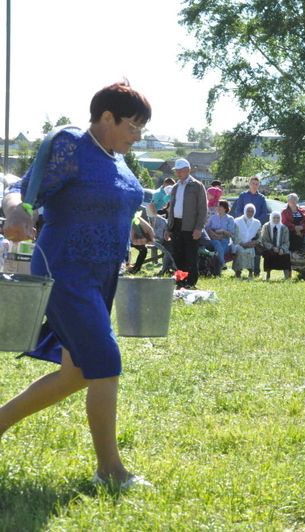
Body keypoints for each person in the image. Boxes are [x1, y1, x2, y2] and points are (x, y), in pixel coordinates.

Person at [0, 81, 152, 488]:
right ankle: (110, 471)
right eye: (132, 127)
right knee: (105, 362)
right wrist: (17, 213)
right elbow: (20, 188)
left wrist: (136, 225)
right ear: (107, 117)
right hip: (66, 270)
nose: (136, 137)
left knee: (75, 374)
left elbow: (108, 199)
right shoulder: (72, 145)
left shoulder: (117, 160)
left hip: (103, 275)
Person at [166, 158, 207, 288]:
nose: (178, 173)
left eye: (181, 170)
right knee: (177, 255)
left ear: (188, 170)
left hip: (191, 226)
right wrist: (169, 227)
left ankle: (191, 282)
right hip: (176, 225)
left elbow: (203, 209)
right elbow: (171, 208)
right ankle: (180, 281)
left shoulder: (197, 186)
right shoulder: (175, 187)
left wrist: (199, 228)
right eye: (177, 171)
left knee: (190, 255)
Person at [205, 199, 235, 276]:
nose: (217, 208)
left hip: (225, 241)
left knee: (218, 250)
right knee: (216, 243)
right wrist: (213, 234)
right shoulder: (212, 217)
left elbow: (231, 234)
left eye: (220, 206)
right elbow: (207, 228)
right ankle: (222, 263)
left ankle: (216, 272)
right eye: (217, 206)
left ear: (225, 208)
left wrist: (222, 231)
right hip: (213, 240)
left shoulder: (230, 219)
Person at [231, 203, 262, 278]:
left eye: (252, 211)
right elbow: (234, 235)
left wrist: (254, 243)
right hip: (238, 243)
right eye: (248, 211)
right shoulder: (237, 221)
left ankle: (251, 271)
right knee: (240, 250)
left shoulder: (257, 222)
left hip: (251, 244)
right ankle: (238, 272)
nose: (250, 213)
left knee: (251, 251)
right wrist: (242, 244)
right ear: (245, 211)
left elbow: (259, 236)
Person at [260, 211, 292, 280]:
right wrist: (272, 247)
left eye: (278, 218)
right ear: (271, 218)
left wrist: (282, 249)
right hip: (270, 249)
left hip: (281, 249)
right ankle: (267, 276)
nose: (276, 219)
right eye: (274, 218)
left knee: (286, 256)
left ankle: (287, 277)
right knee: (268, 254)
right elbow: (264, 240)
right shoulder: (266, 226)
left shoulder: (284, 228)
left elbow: (286, 242)